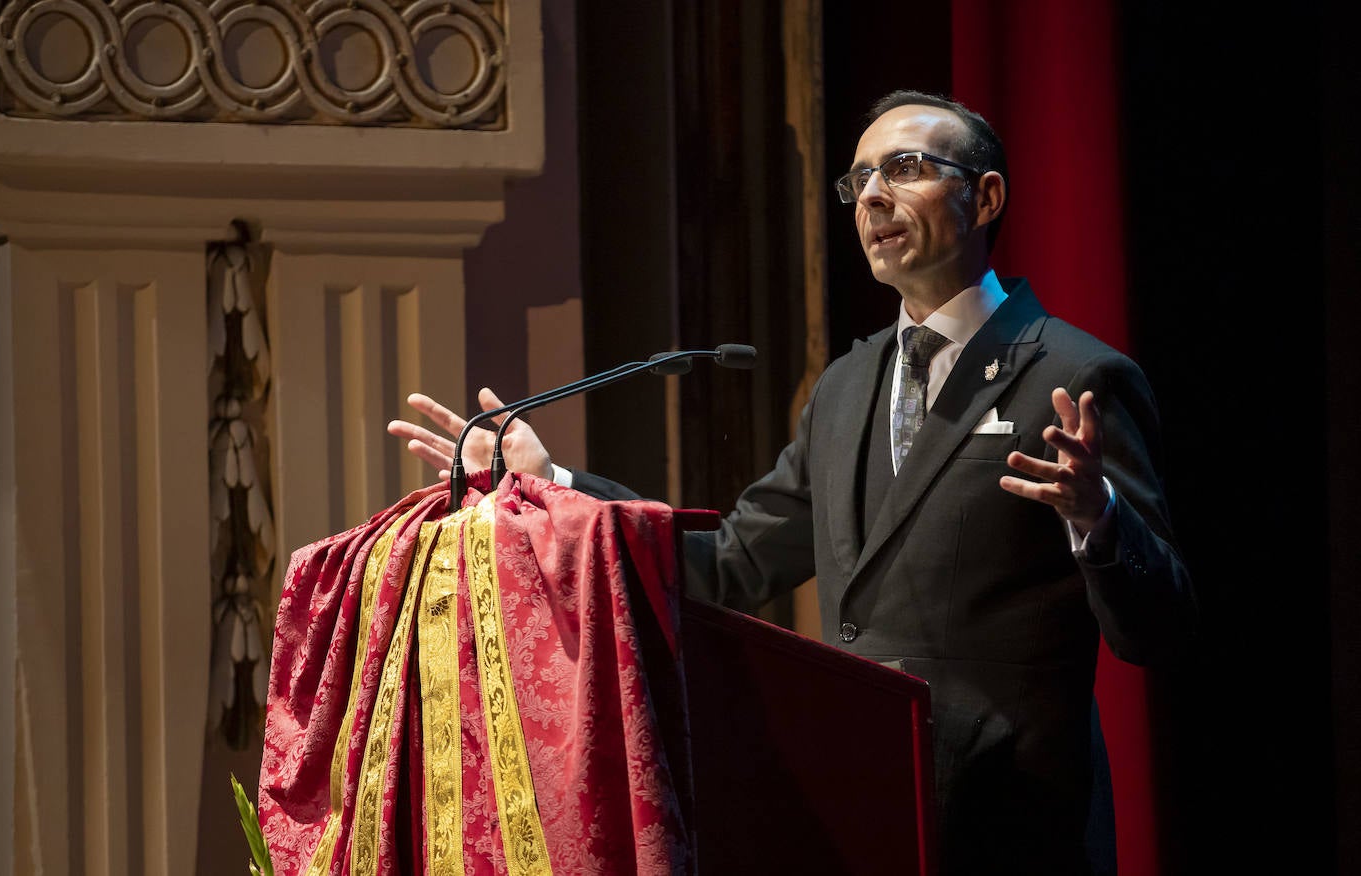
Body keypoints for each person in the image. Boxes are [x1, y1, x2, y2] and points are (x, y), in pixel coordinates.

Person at [387, 90, 1195, 875]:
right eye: (859, 180)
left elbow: (1158, 629)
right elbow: (731, 564)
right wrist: (555, 480)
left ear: (984, 198)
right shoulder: (845, 385)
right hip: (859, 809)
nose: (873, 195)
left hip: (1013, 825)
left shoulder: (1075, 373)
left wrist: (1101, 518)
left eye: (905, 168)